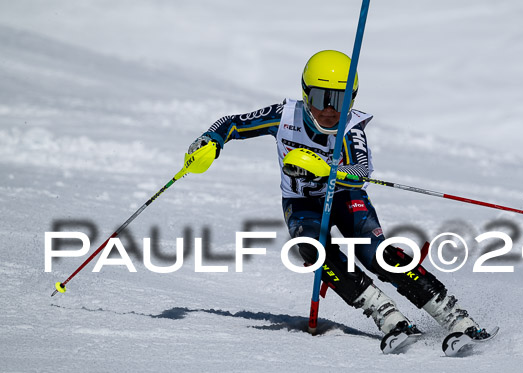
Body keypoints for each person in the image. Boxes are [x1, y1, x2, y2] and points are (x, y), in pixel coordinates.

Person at [187, 50, 490, 340]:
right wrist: (210, 141)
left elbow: (361, 172)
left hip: (346, 198)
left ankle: (455, 316)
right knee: (312, 248)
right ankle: (385, 314)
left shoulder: (350, 126)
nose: (330, 110)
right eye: (321, 98)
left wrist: (328, 169)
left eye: (340, 100)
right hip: (302, 204)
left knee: (376, 256)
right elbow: (233, 124)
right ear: (306, 94)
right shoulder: (285, 116)